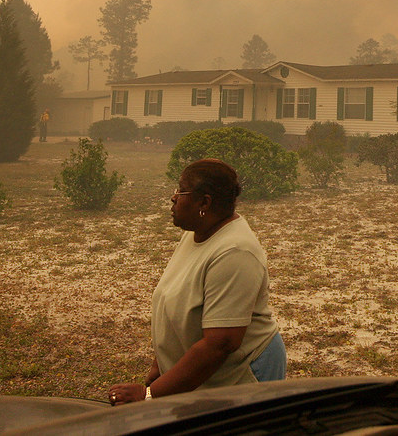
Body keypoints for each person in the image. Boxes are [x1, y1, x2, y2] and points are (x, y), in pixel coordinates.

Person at [107, 158, 286, 405]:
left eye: (181, 191)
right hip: (209, 372)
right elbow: (177, 305)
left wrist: (150, 394)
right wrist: (160, 367)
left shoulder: (235, 253)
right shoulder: (197, 234)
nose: (173, 198)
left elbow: (220, 343)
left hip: (242, 373)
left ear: (204, 202)